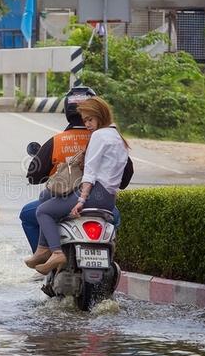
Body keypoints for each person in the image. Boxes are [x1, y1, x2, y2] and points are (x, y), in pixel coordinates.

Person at [25, 96, 129, 275]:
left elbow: (90, 173)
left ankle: (55, 252)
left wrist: (81, 200)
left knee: (43, 211)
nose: (87, 124)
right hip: (108, 200)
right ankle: (42, 251)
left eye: (90, 119)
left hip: (93, 195)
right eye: (85, 120)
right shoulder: (118, 137)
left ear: (100, 115)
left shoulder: (99, 135)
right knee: (47, 197)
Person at [20, 86, 95, 252]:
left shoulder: (57, 141)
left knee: (27, 214)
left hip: (63, 201)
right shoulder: (104, 138)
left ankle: (43, 258)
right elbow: (125, 177)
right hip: (100, 201)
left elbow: (33, 176)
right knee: (116, 219)